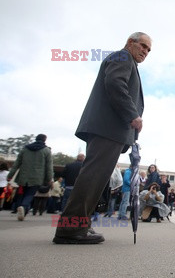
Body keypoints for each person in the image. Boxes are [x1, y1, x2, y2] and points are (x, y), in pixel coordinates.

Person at [53, 32, 151, 244]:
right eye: (143, 45)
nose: (145, 51)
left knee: (96, 179)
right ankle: (71, 229)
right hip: (108, 129)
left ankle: (80, 224)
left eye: (149, 50)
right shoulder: (123, 57)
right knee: (93, 177)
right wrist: (132, 114)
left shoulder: (127, 61)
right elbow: (115, 84)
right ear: (130, 43)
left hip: (109, 129)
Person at [7, 134, 53, 221]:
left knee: (22, 193)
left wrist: (10, 176)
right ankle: (24, 207)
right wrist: (49, 179)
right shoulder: (46, 150)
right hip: (37, 177)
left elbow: (16, 164)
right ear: (44, 140)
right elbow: (49, 167)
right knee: (30, 194)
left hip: (23, 176)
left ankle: (21, 208)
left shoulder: (25, 149)